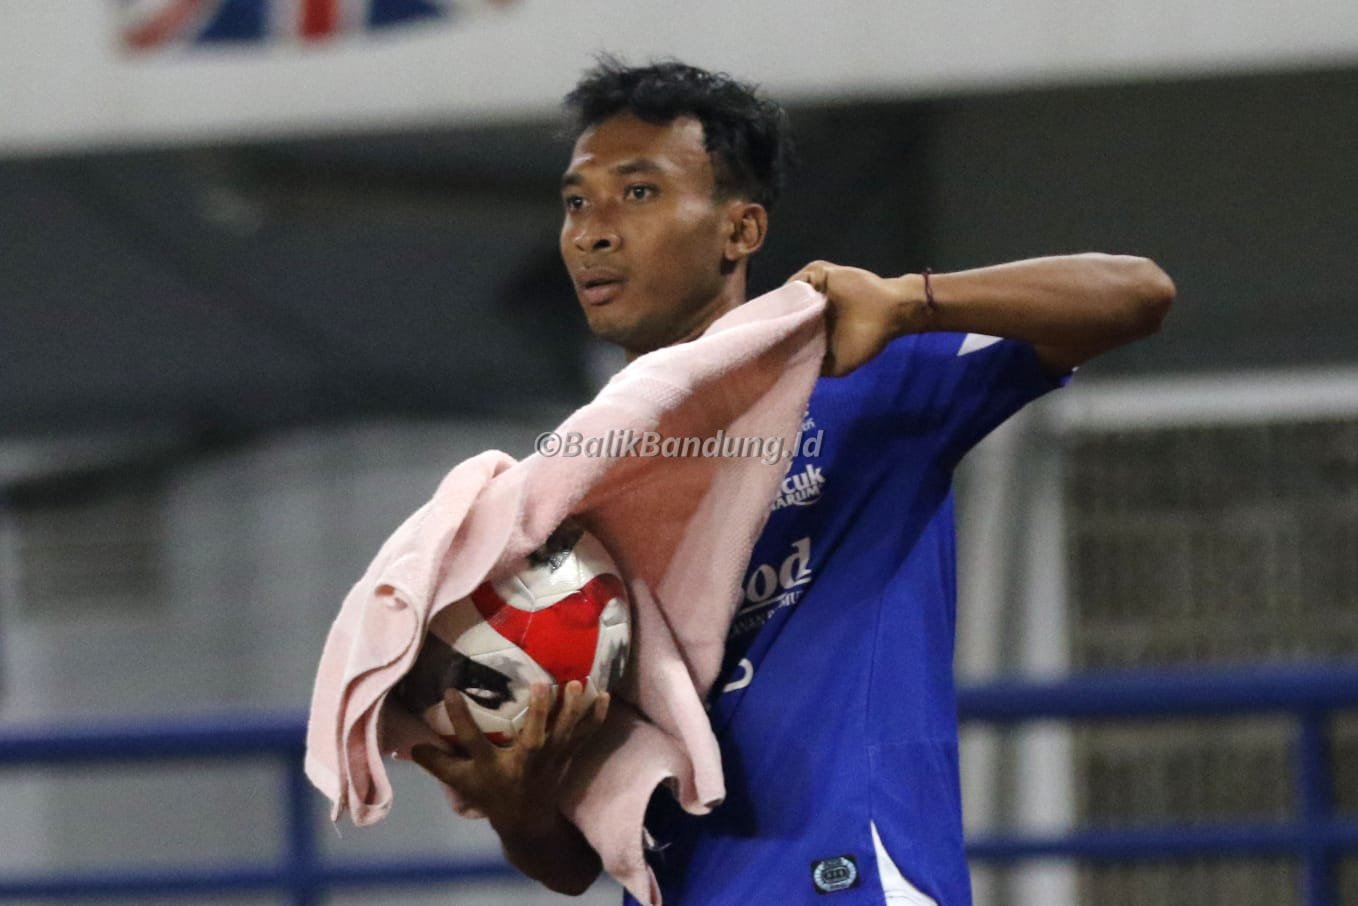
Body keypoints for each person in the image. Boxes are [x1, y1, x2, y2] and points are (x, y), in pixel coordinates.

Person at [412, 58, 1174, 904]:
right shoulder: (580, 492)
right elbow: (577, 864)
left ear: (740, 231)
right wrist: (521, 812)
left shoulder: (858, 374)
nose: (592, 230)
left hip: (854, 883)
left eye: (638, 194)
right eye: (575, 201)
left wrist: (914, 300)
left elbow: (1137, 294)